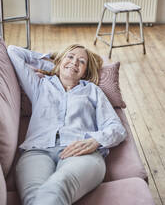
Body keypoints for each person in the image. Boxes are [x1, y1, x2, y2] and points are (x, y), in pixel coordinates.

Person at [7, 44, 127, 205]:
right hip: (37, 151)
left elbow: (116, 127)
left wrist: (95, 140)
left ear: (86, 71)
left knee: (56, 188)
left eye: (81, 61)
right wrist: (55, 64)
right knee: (33, 197)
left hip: (81, 152)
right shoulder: (40, 85)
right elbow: (14, 52)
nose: (75, 62)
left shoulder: (92, 91)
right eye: (70, 57)